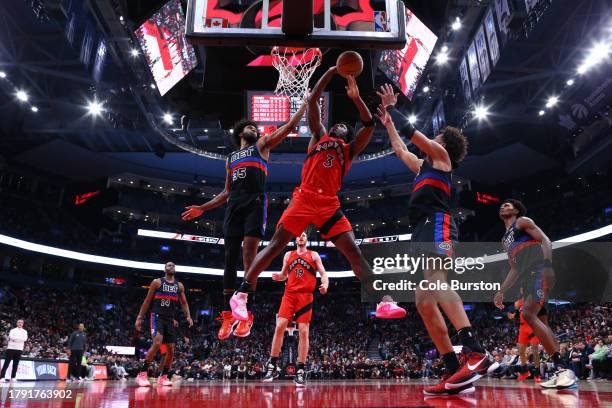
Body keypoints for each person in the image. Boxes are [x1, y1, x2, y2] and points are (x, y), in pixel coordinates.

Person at [231, 67, 406, 325]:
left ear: (348, 135)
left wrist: (356, 98)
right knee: (276, 245)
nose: (340, 126)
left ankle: (384, 301)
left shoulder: (350, 150)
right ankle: (241, 294)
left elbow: (369, 124)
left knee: (355, 253)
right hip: (305, 197)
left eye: (345, 126)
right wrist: (333, 70)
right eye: (337, 123)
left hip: (328, 204)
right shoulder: (318, 136)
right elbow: (313, 100)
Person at [377, 84, 496, 396]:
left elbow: (414, 134)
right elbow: (402, 150)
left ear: (444, 144)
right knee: (423, 302)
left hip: (438, 224)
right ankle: (453, 367)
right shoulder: (422, 168)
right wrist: (388, 125)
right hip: (421, 229)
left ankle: (475, 349)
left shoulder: (442, 158)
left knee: (434, 282)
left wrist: (392, 108)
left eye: (435, 138)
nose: (431, 142)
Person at [181, 101, 308, 341]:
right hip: (234, 204)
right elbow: (226, 192)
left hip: (255, 201)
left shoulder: (262, 145)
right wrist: (203, 208)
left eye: (255, 127)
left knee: (250, 255)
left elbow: (290, 125)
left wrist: (303, 106)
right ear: (240, 133)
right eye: (249, 126)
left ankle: (245, 309)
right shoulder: (230, 159)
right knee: (229, 258)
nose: (254, 128)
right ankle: (230, 314)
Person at [495, 199, 576, 389]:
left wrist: (548, 266)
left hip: (538, 270)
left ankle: (564, 370)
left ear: (516, 210)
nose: (504, 206)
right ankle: (560, 370)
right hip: (525, 276)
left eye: (508, 204)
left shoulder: (522, 221)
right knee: (541, 323)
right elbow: (514, 269)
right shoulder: (504, 239)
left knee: (527, 314)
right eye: (502, 205)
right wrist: (501, 291)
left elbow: (545, 240)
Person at [263, 232, 329, 387]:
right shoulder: (288, 254)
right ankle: (272, 365)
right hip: (289, 295)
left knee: (304, 331)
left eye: (304, 235)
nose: (301, 237)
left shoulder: (314, 255)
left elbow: (323, 273)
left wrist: (325, 284)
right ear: (295, 239)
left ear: (307, 239)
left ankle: (300, 369)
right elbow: (284, 274)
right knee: (280, 326)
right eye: (298, 235)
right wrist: (279, 276)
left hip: (305, 296)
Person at [134, 261, 193, 387]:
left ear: (175, 269)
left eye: (173, 265)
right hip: (157, 316)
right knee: (157, 342)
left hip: (170, 319)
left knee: (171, 349)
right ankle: (142, 374)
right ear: (164, 269)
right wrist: (139, 317)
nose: (171, 266)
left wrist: (188, 316)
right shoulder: (157, 282)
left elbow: (184, 303)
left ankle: (164, 376)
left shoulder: (179, 286)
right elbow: (147, 300)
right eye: (168, 265)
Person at [507, 297, 545, 382]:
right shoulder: (520, 302)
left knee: (535, 351)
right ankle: (525, 371)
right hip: (523, 328)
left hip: (533, 327)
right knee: (521, 351)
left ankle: (537, 374)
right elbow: (518, 313)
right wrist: (513, 316)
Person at [0, 319, 28, 383]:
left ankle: (13, 377)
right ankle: (2, 377)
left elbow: (25, 339)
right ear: (17, 323)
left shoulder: (25, 331)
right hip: (11, 348)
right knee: (6, 363)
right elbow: (11, 337)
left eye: (21, 322)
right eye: (19, 322)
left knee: (16, 364)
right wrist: (20, 339)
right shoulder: (12, 330)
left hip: (19, 349)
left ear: (23, 324)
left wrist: (16, 339)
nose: (20, 323)